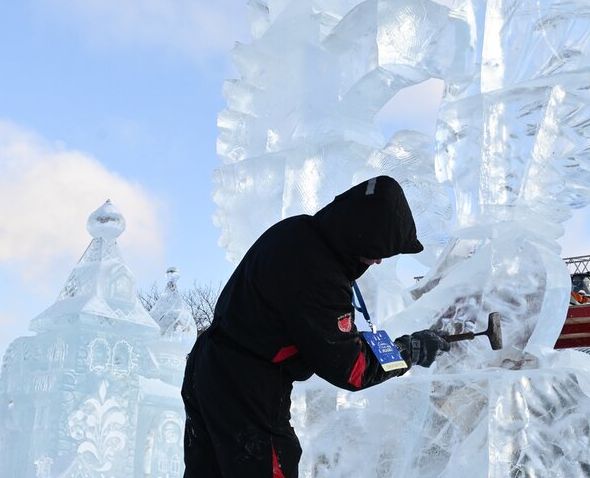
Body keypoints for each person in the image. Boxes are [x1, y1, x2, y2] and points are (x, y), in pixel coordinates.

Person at [181, 175, 451, 477]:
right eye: (379, 252)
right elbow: (352, 368)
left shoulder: (298, 231)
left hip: (209, 365)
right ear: (362, 236)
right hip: (246, 384)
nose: (377, 263)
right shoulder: (319, 272)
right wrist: (408, 350)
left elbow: (323, 335)